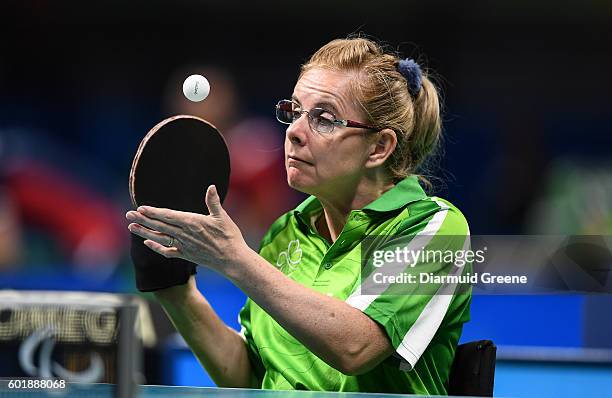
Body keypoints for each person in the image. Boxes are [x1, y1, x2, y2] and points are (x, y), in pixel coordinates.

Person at [126, 37, 472, 395]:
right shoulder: (287, 232)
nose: (293, 132)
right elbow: (250, 378)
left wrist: (236, 258)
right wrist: (175, 291)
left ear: (379, 147)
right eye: (293, 112)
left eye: (323, 118)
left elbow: (355, 347)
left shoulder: (433, 228)